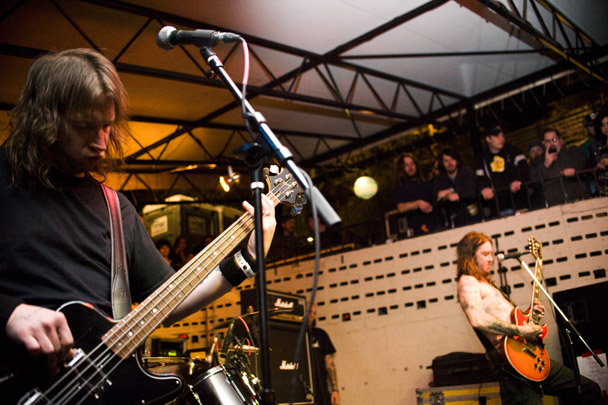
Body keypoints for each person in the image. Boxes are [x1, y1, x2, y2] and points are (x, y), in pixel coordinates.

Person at [0, 48, 276, 399]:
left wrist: (247, 259)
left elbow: (168, 302)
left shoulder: (116, 209)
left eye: (107, 126)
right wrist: (9, 314)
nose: (101, 142)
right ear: (46, 118)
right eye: (84, 127)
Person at [456, 231, 603, 404]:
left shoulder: (487, 284)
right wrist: (522, 330)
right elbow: (477, 319)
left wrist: (528, 315)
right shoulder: (467, 281)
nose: (491, 259)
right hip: (510, 365)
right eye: (485, 254)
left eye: (492, 254)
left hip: (528, 355)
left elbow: (507, 318)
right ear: (470, 256)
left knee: (588, 389)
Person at [475, 124, 530, 217]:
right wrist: (484, 188)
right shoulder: (482, 158)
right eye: (497, 136)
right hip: (497, 207)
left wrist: (519, 180)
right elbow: (480, 179)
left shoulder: (514, 150)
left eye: (502, 135)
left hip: (518, 203)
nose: (501, 139)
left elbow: (524, 168)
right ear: (488, 139)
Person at [529, 128, 590, 206]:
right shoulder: (538, 161)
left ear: (561, 140)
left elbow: (584, 165)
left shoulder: (573, 152)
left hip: (580, 200)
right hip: (555, 205)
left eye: (554, 139)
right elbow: (534, 182)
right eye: (547, 141)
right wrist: (546, 165)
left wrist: (574, 170)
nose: (551, 143)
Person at [432, 148, 480, 228]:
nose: (450, 163)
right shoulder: (439, 179)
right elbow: (437, 197)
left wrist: (452, 192)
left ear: (457, 160)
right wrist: (447, 197)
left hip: (474, 216)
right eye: (446, 161)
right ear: (442, 163)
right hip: (453, 220)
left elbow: (472, 189)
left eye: (452, 159)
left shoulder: (466, 172)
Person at [394, 153, 438, 236]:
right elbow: (401, 207)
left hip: (435, 224)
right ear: (402, 168)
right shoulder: (400, 187)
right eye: (406, 165)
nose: (410, 167)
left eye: (412, 163)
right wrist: (418, 203)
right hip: (416, 229)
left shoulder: (426, 183)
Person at [307, 303, 340, 405]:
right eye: (309, 312)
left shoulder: (321, 334)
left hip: (321, 392)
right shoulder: (292, 334)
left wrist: (335, 389)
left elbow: (329, 364)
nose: (312, 315)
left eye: (314, 313)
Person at [590, 109, 608, 196]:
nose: (606, 128)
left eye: (607, 123)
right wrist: (597, 167)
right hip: (604, 191)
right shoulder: (596, 146)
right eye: (602, 125)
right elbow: (591, 170)